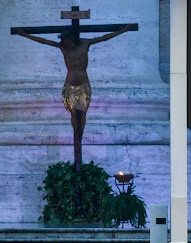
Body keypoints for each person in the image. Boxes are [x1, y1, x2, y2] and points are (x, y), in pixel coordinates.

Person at [13, 25, 135, 173]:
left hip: (83, 84)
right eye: (63, 41)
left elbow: (105, 38)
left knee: (82, 113)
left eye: (66, 41)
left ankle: (79, 139)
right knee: (73, 113)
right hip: (70, 84)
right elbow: (44, 41)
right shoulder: (63, 47)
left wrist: (124, 30)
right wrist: (24, 35)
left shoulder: (85, 44)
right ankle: (76, 138)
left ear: (73, 39)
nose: (64, 43)